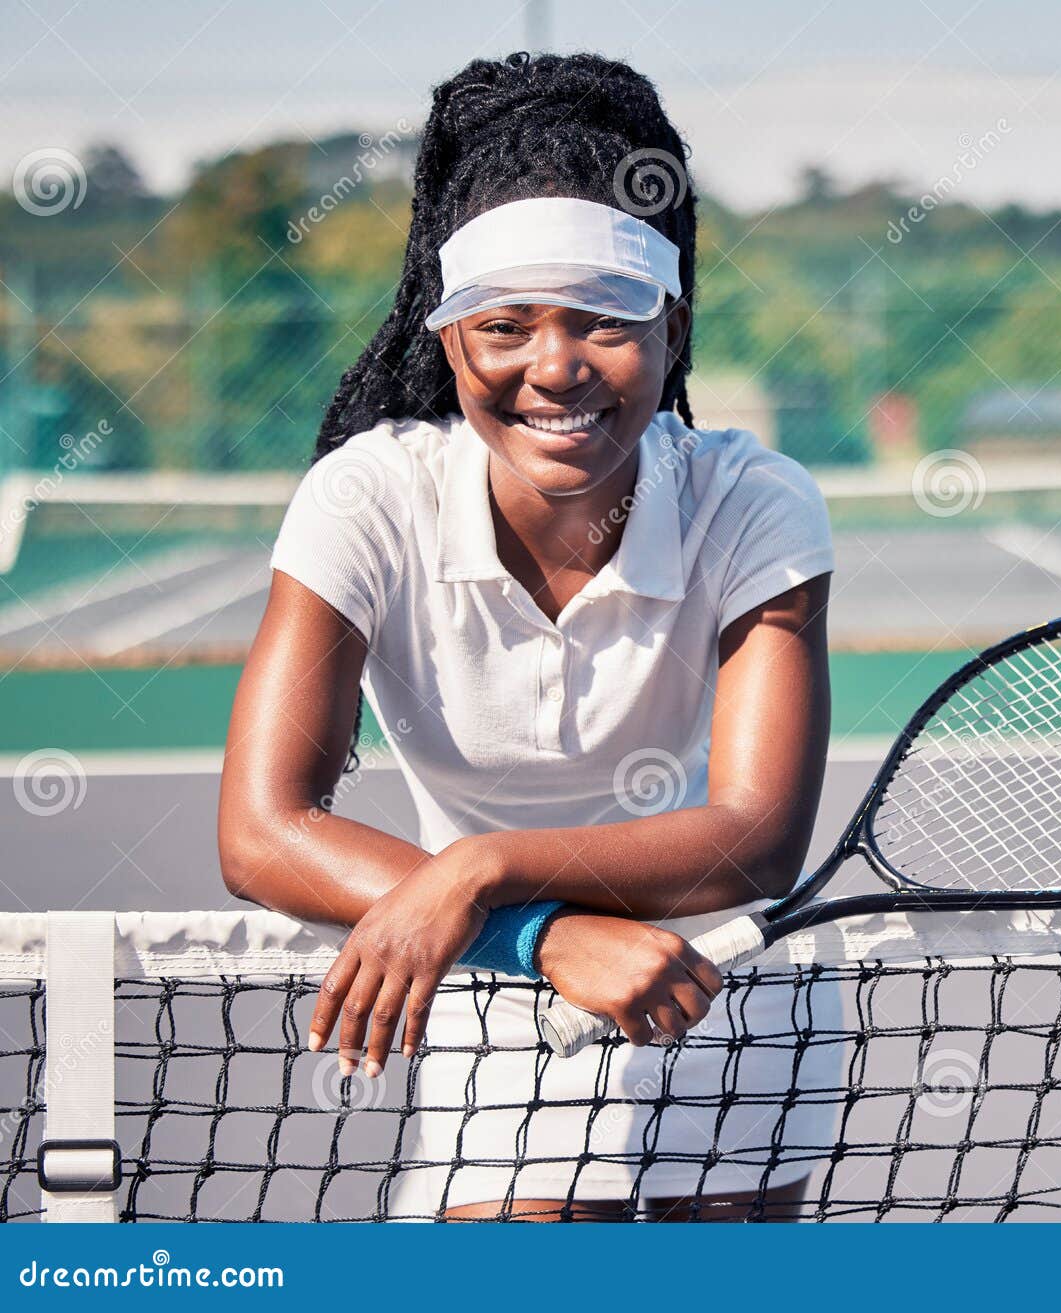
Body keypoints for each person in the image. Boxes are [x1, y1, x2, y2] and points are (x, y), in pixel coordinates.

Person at [217, 52, 836, 1220]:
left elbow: (755, 839)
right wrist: (540, 932)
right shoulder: (368, 497)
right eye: (504, 326)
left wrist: (483, 864)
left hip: (731, 977)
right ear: (451, 344)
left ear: (671, 332)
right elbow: (260, 830)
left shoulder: (753, 499)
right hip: (497, 981)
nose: (553, 367)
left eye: (605, 322)